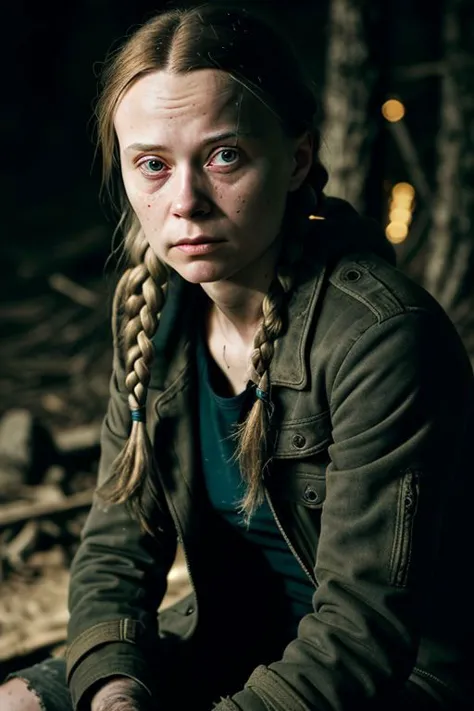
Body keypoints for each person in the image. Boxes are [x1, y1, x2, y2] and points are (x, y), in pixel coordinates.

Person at [1, 4, 473, 710]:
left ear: (298, 159)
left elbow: (363, 628)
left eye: (224, 156)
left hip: (399, 673)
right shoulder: (154, 314)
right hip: (233, 635)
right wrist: (114, 689)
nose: (184, 202)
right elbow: (114, 547)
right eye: (152, 165)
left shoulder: (382, 337)